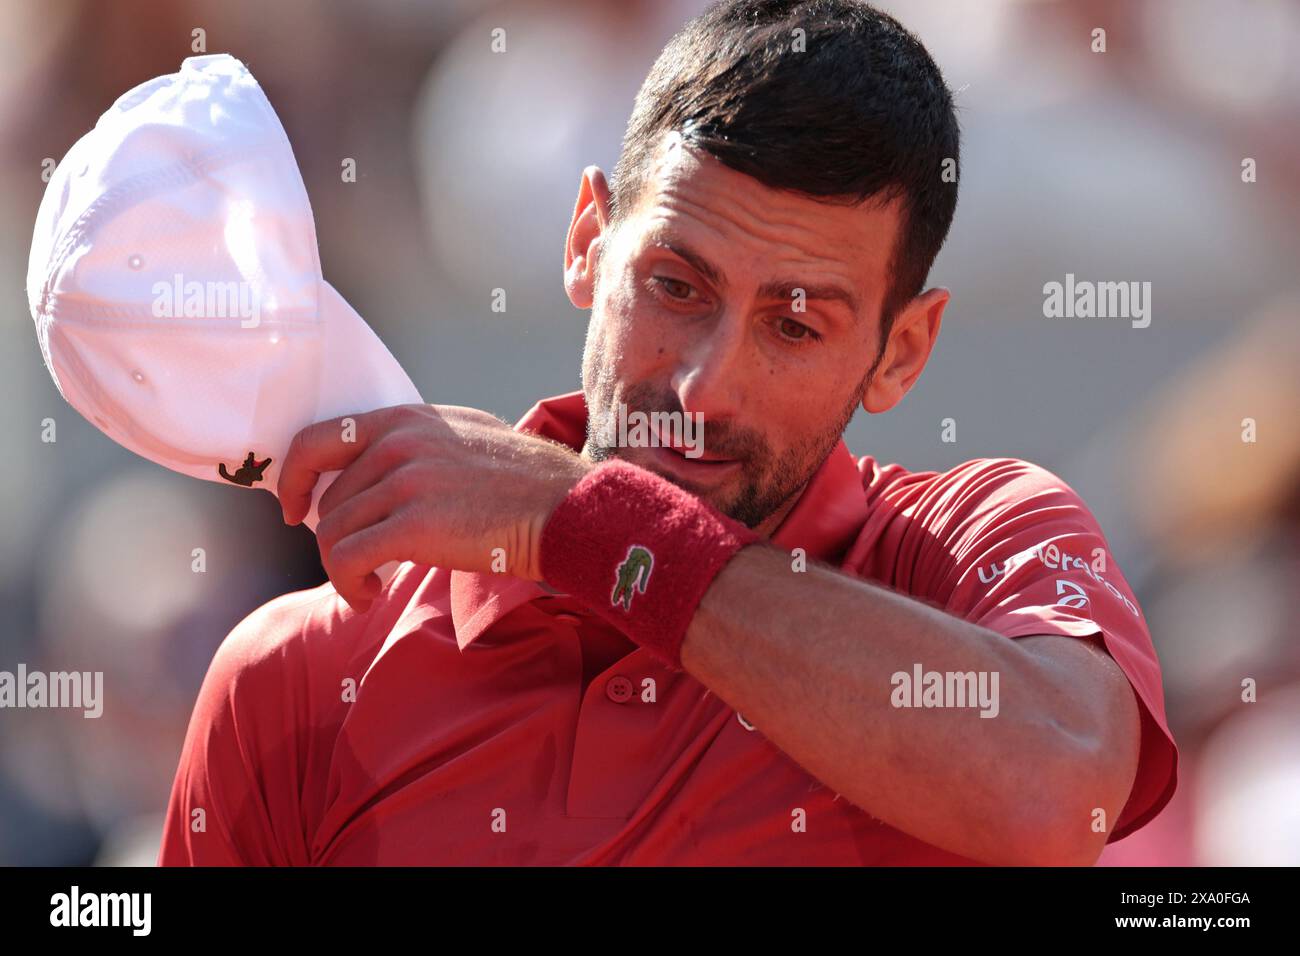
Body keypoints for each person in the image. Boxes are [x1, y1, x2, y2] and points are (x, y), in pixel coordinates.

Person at [159, 0, 1176, 866]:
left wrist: (576, 518)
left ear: (901, 351)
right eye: (675, 287)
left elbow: (1062, 791)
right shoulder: (294, 675)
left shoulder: (972, 542)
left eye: (794, 324)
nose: (704, 382)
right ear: (587, 243)